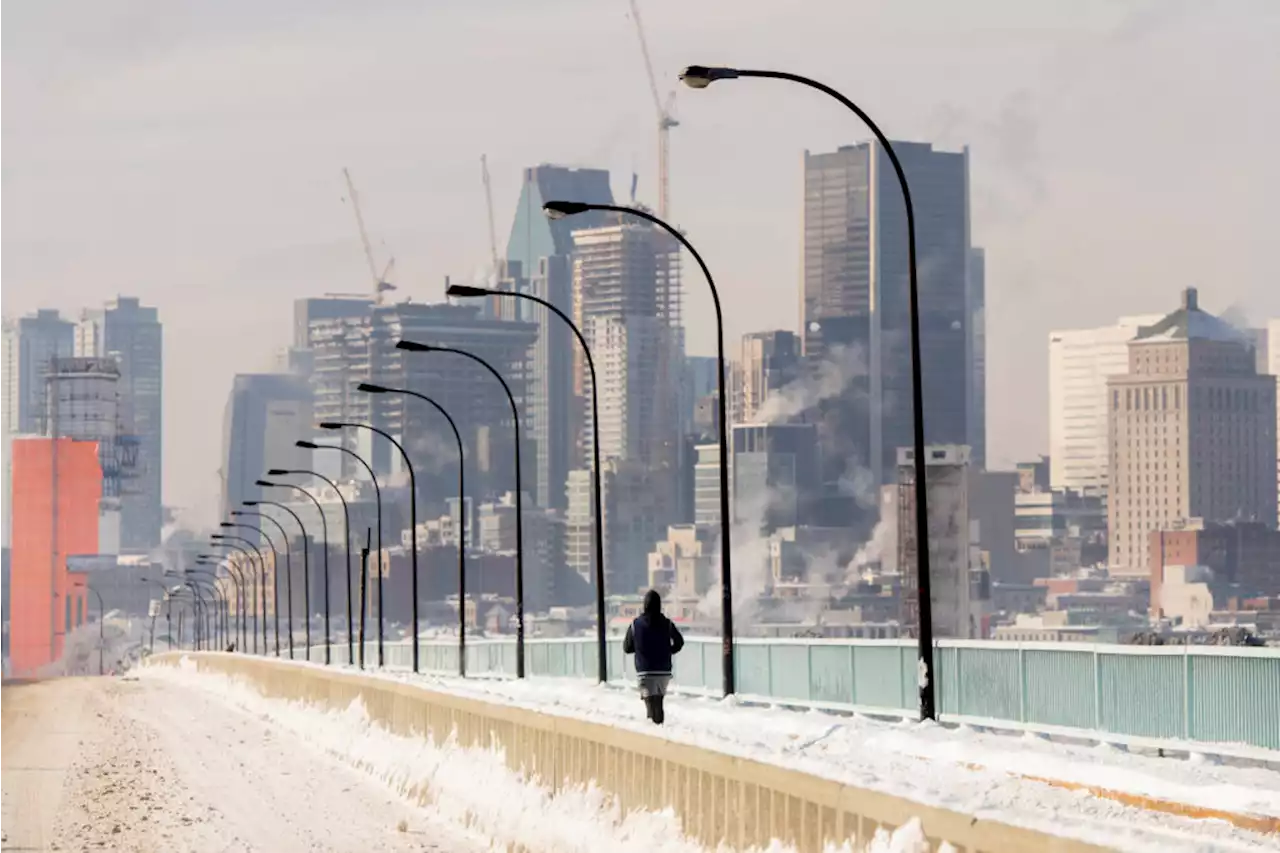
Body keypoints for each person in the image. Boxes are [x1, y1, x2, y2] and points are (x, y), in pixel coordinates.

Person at [622, 590, 684, 725]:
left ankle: (654, 731)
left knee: (649, 703)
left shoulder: (635, 625)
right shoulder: (667, 624)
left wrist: (639, 649)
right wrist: (668, 651)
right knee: (659, 701)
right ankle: (660, 726)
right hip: (663, 671)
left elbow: (627, 648)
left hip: (645, 671)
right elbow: (679, 642)